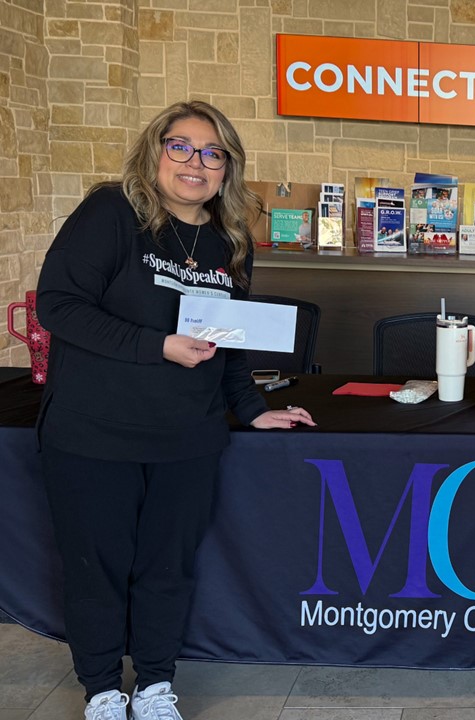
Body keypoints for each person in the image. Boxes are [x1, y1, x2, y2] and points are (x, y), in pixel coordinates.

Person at [37, 100, 318, 720]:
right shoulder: (112, 212)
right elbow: (58, 306)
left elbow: (228, 341)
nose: (197, 163)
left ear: (227, 169)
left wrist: (251, 409)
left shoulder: (229, 239)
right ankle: (102, 690)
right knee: (95, 569)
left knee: (168, 569)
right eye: (181, 147)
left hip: (187, 437)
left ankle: (156, 685)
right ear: (156, 151)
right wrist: (157, 345)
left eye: (213, 153)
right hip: (93, 434)